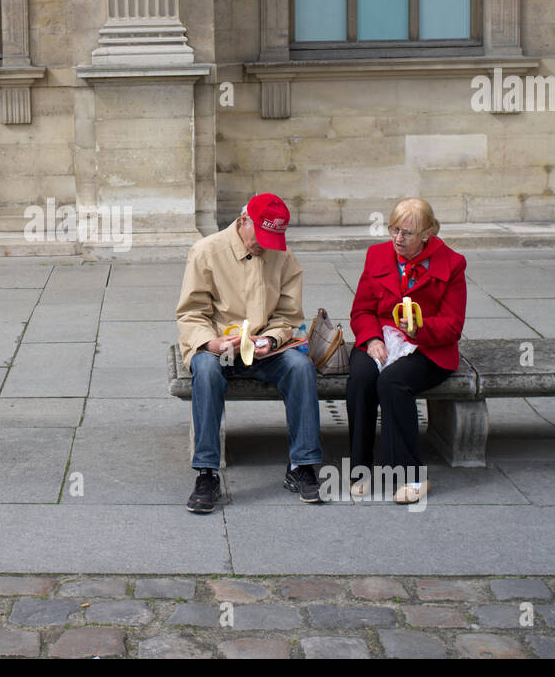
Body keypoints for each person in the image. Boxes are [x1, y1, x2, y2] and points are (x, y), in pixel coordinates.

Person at [176, 193, 323, 513]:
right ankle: (206, 472)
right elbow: (191, 313)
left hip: (264, 349)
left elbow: (288, 316)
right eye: (261, 237)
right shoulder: (206, 251)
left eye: (274, 239)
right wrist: (211, 343)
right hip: (218, 346)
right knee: (207, 371)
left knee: (301, 367)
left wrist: (271, 339)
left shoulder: (284, 257)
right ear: (244, 221)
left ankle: (303, 465)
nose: (265, 246)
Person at [346, 198, 466, 503]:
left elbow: (453, 326)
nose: (398, 238)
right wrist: (372, 339)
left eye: (407, 233)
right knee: (360, 376)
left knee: (393, 382)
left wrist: (419, 331)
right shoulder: (376, 255)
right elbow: (361, 310)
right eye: (394, 229)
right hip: (382, 337)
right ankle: (360, 467)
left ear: (427, 233)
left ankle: (412, 475)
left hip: (427, 346)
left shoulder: (452, 264)